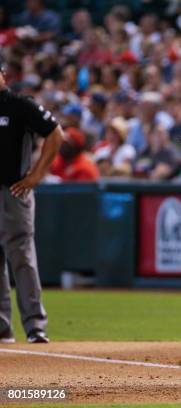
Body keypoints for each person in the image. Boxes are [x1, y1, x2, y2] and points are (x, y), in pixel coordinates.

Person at [0, 61, 63, 344]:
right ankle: (2, 328)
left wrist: (36, 175)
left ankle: (35, 326)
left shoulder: (19, 104)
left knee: (22, 257)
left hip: (13, 191)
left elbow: (55, 133)